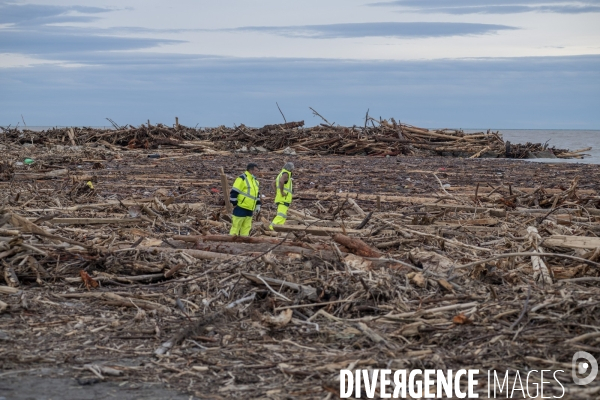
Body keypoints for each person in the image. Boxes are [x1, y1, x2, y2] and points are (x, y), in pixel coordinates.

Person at [229, 163, 261, 236]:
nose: (257, 172)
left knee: (246, 227)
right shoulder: (242, 178)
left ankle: (244, 243)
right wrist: (234, 203)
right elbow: (234, 191)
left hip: (250, 208)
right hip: (241, 207)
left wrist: (258, 205)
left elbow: (257, 195)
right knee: (236, 226)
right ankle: (231, 243)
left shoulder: (255, 181)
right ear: (250, 170)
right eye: (256, 170)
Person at [270, 162, 294, 230]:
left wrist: (276, 192)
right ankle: (271, 227)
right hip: (284, 199)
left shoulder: (281, 173)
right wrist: (281, 192)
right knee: (280, 215)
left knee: (283, 215)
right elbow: (281, 181)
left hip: (280, 198)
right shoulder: (286, 173)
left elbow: (273, 183)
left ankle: (279, 228)